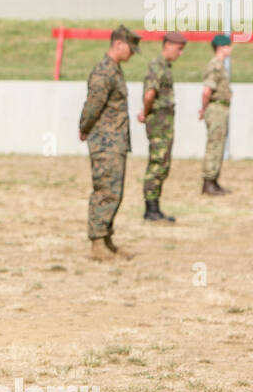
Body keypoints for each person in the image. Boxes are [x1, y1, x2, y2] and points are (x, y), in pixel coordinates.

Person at [79, 25, 140, 261]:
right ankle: (96, 243)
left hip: (115, 141)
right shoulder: (104, 72)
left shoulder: (114, 70)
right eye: (131, 48)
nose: (133, 53)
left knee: (115, 191)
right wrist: (84, 128)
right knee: (105, 190)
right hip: (105, 142)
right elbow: (93, 105)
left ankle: (106, 238)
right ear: (118, 44)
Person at [139, 30, 187, 222]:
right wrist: (145, 112)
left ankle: (155, 207)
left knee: (163, 163)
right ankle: (151, 209)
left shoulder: (165, 66)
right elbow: (149, 93)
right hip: (158, 121)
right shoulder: (157, 65)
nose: (180, 53)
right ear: (167, 45)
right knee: (157, 163)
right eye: (179, 48)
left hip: (164, 121)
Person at [200, 33, 233, 195]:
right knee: (214, 144)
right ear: (220, 47)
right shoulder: (215, 65)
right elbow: (207, 91)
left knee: (218, 145)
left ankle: (213, 180)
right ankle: (208, 181)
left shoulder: (220, 65)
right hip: (216, 108)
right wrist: (203, 108)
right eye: (228, 45)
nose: (230, 48)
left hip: (220, 108)